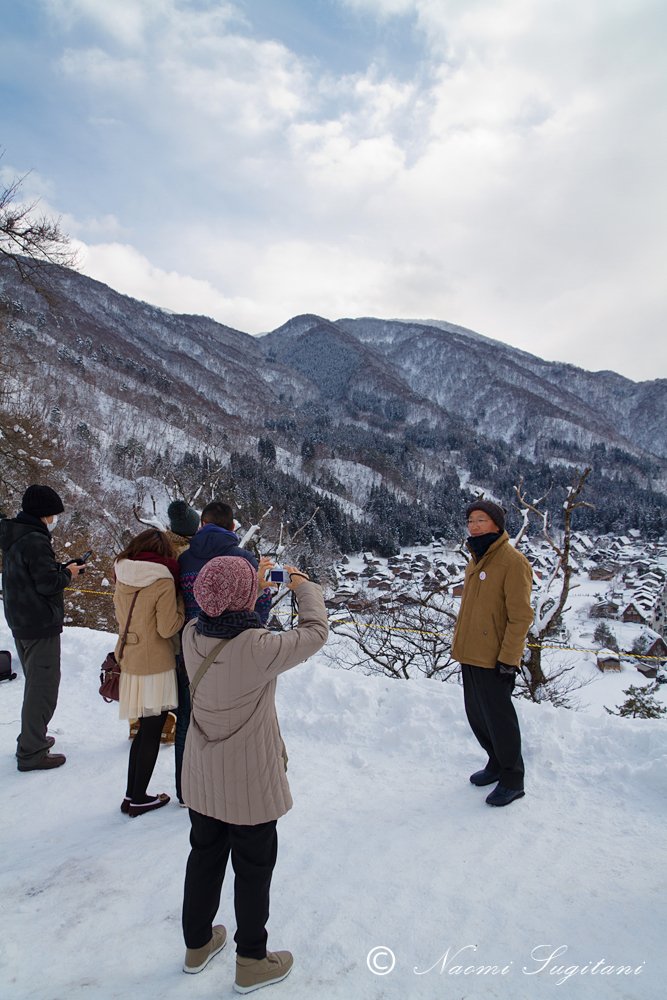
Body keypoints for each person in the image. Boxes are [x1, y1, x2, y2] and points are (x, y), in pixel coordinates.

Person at [180, 556, 328, 993]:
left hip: (203, 776)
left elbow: (229, 617)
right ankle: (251, 960)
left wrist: (249, 588)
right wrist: (300, 583)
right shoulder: (259, 648)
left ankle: (197, 945)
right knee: (253, 869)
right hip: (248, 783)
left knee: (204, 857)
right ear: (244, 598)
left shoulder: (191, 634)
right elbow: (315, 631)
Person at [174, 500, 271, 805]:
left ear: (202, 525)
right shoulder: (242, 559)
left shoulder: (184, 559)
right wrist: (264, 588)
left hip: (190, 649)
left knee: (188, 720)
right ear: (232, 527)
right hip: (234, 652)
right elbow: (259, 613)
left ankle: (185, 790)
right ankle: (228, 793)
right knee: (233, 726)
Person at [452, 499, 533, 807]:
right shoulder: (476, 558)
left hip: (496, 657)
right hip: (470, 652)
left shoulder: (512, 562)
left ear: (497, 525)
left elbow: (520, 617)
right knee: (477, 715)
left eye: (481, 520)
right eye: (470, 520)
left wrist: (509, 659)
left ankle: (513, 779)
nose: (474, 526)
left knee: (500, 719)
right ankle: (496, 762)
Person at [0, 485, 85, 771]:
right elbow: (48, 584)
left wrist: (61, 568)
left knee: (35, 685)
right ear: (43, 514)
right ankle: (32, 752)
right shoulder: (36, 540)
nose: (54, 519)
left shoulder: (16, 535)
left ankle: (32, 738)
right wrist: (68, 574)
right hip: (39, 623)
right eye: (53, 514)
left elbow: (32, 574)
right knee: (43, 689)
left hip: (21, 619)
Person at [113, 528, 185, 817]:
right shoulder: (163, 581)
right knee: (152, 732)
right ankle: (139, 798)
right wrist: (181, 604)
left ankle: (131, 795)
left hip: (130, 658)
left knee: (144, 729)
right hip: (155, 663)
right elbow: (168, 628)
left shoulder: (123, 574)